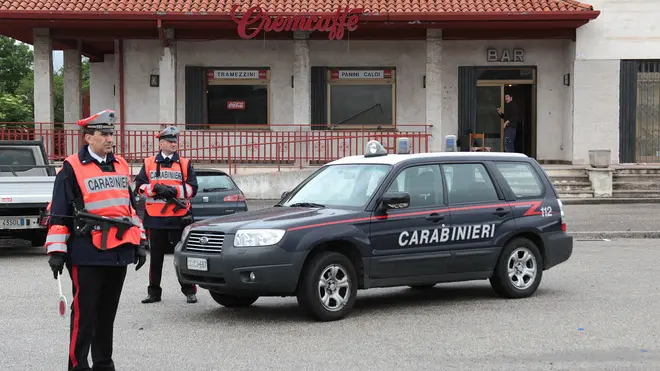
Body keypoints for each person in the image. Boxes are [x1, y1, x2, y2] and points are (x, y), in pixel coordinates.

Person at [44, 109, 147, 371]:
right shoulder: (71, 167)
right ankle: (78, 366)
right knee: (84, 316)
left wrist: (140, 243)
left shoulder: (121, 164)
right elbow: (59, 211)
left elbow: (130, 208)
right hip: (86, 251)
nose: (110, 139)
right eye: (104, 134)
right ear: (88, 138)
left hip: (119, 251)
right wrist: (56, 251)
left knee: (106, 316)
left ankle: (104, 364)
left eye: (112, 133)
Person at [135, 126, 199, 304]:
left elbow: (193, 189)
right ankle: (154, 293)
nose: (173, 144)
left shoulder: (185, 163)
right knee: (155, 258)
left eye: (175, 141)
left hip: (179, 216)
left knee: (182, 256)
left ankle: (189, 290)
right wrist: (155, 188)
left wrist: (174, 191)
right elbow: (139, 187)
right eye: (170, 141)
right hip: (155, 218)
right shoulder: (148, 163)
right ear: (161, 143)